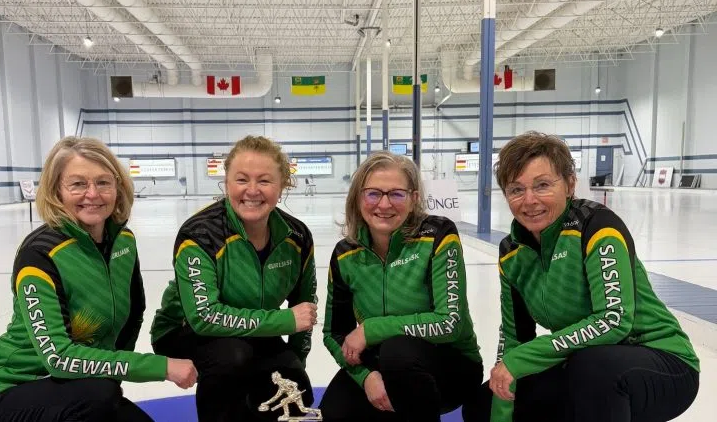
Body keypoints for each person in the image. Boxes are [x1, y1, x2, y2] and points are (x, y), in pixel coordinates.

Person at [462, 131, 700, 422]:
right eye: (516, 189)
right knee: (482, 404)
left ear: (570, 185)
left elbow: (614, 320)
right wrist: (503, 397)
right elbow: (515, 337)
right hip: (582, 361)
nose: (529, 200)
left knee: (593, 368)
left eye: (542, 185)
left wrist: (521, 359)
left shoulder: (596, 227)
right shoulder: (512, 252)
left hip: (661, 361)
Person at [0, 137, 197, 422]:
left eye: (103, 182)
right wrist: (159, 367)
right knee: (99, 395)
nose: (93, 194)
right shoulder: (40, 254)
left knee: (105, 397)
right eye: (77, 184)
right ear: (57, 190)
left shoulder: (123, 242)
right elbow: (58, 357)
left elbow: (132, 318)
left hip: (80, 386)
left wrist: (112, 375)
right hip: (9, 393)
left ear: (118, 187)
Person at [150, 135, 319, 422]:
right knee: (233, 357)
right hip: (185, 331)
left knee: (294, 386)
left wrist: (295, 362)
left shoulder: (297, 235)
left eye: (264, 181)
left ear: (282, 185)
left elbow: (304, 309)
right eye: (242, 179)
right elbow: (204, 316)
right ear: (227, 183)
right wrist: (283, 321)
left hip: (253, 329)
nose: (252, 190)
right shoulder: (200, 233)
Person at [319, 151, 483, 422]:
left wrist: (371, 329)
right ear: (358, 198)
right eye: (373, 193)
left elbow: (450, 323)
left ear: (413, 198)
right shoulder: (345, 254)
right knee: (334, 412)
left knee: (398, 353)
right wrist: (366, 377)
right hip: (381, 362)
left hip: (450, 364)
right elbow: (335, 333)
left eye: (396, 194)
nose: (384, 204)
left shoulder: (437, 235)